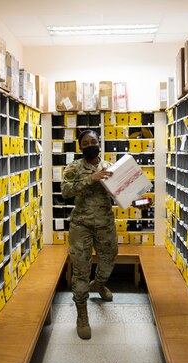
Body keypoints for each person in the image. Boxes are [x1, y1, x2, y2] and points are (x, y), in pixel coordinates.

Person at [61, 129, 118, 340]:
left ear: (99, 143)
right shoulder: (74, 167)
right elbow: (65, 191)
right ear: (80, 147)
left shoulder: (111, 167)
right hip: (81, 225)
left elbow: (120, 192)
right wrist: (91, 179)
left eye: (93, 141)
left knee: (109, 259)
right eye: (85, 143)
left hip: (105, 224)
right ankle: (82, 314)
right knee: (81, 269)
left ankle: (99, 284)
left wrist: (132, 197)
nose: (90, 145)